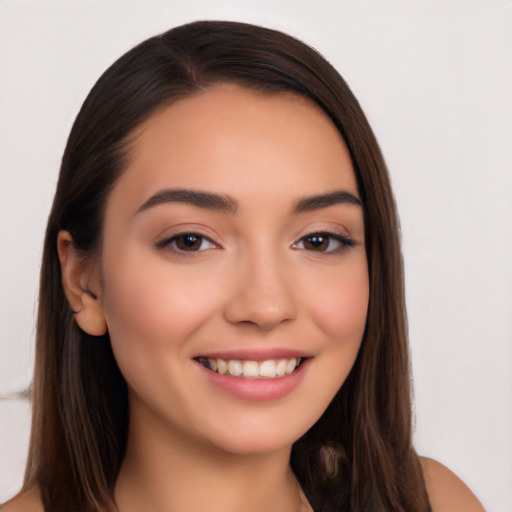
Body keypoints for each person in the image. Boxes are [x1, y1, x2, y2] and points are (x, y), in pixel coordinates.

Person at [1, 20, 484, 512]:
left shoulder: (430, 501)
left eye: (318, 240)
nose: (267, 305)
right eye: (190, 241)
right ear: (85, 283)